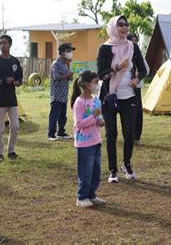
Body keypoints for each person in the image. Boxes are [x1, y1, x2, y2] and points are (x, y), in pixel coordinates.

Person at [97, 16, 147, 183]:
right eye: (121, 25)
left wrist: (136, 80)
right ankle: (112, 170)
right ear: (113, 27)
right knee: (111, 134)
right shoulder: (105, 48)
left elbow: (144, 70)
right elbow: (100, 74)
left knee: (129, 133)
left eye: (126, 25)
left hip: (129, 97)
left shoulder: (132, 46)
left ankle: (126, 164)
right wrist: (118, 67)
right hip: (109, 98)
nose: (125, 27)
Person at [71, 70, 106, 207]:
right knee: (85, 172)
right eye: (96, 82)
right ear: (87, 84)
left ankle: (92, 195)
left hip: (96, 141)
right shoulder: (79, 102)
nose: (98, 85)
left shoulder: (96, 100)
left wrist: (100, 120)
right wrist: (93, 117)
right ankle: (81, 197)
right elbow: (79, 124)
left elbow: (98, 118)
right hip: (84, 144)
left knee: (96, 172)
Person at [0, 34, 23, 162]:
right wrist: (3, 80)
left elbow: (20, 77)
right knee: (0, 129)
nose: (2, 45)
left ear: (10, 44)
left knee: (15, 126)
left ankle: (11, 151)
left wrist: (18, 82)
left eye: (4, 43)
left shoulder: (15, 61)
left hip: (12, 99)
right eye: (0, 43)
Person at [48, 43, 75, 141]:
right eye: (68, 51)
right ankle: (51, 134)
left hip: (64, 94)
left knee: (63, 115)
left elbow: (69, 78)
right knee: (54, 115)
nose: (70, 53)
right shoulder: (56, 63)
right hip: (56, 95)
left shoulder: (65, 64)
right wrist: (68, 75)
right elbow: (56, 77)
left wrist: (70, 74)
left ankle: (61, 132)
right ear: (62, 52)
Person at [127, 34, 150, 145]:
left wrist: (137, 77)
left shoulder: (138, 55)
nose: (134, 43)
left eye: (136, 41)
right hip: (123, 88)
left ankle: (136, 137)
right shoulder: (122, 54)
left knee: (138, 112)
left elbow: (146, 70)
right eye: (132, 41)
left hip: (136, 88)